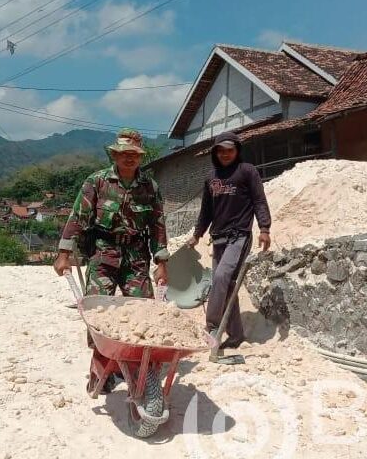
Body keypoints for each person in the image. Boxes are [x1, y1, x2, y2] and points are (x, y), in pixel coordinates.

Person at [53, 127, 169, 300]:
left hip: (136, 258)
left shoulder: (150, 187)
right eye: (124, 153)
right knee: (97, 309)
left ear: (140, 156)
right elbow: (78, 217)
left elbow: (157, 227)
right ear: (114, 154)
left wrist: (161, 265)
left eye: (134, 154)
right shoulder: (97, 181)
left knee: (143, 309)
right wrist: (64, 255)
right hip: (102, 255)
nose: (129, 158)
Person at [188, 131, 272, 350]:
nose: (225, 154)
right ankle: (235, 335)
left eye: (230, 150)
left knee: (221, 277)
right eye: (221, 151)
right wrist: (197, 234)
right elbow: (206, 211)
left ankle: (212, 326)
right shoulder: (211, 177)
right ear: (215, 153)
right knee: (226, 285)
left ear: (237, 150)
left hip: (239, 236)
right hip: (218, 238)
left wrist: (264, 227)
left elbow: (259, 201)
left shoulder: (247, 171)